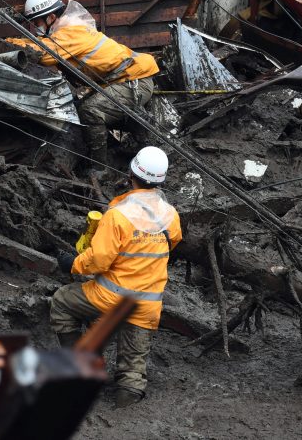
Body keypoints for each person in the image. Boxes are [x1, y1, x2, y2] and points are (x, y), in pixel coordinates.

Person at [50, 146, 182, 408]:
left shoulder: (118, 214)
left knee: (62, 302)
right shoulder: (171, 215)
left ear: (131, 172)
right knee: (133, 370)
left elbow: (98, 261)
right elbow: (170, 245)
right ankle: (126, 410)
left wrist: (73, 264)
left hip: (109, 298)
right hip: (146, 306)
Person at [7, 0, 159, 172]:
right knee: (82, 109)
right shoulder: (66, 29)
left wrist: (10, 43)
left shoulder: (72, 31)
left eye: (37, 21)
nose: (35, 26)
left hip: (133, 81)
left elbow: (45, 54)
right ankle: (140, 135)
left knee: (90, 111)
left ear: (51, 17)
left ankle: (100, 169)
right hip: (126, 79)